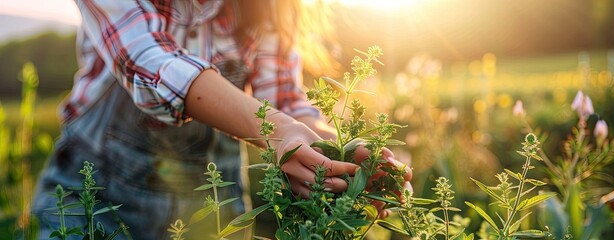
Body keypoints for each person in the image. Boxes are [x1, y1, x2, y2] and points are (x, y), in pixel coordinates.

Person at [31, 0, 412, 239]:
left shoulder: (268, 6)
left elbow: (283, 100)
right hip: (96, 199)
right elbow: (148, 61)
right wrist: (276, 129)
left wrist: (337, 155)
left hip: (212, 207)